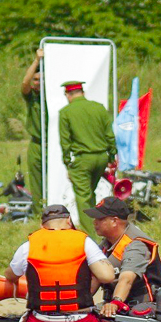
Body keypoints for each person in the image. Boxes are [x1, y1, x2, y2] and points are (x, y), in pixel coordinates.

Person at [3, 204, 119, 322]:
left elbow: (11, 275)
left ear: (42, 226)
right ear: (69, 221)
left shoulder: (28, 245)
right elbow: (107, 276)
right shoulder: (84, 241)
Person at [85, 196, 161, 314]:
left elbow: (126, 279)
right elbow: (95, 278)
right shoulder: (105, 245)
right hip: (117, 303)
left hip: (143, 306)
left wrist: (116, 302)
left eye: (100, 218)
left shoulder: (136, 245)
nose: (94, 222)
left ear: (114, 221)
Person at [58, 80, 116, 224]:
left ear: (68, 94)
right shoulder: (99, 108)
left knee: (82, 197)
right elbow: (110, 134)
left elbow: (65, 141)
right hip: (101, 158)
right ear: (82, 92)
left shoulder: (66, 112)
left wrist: (67, 163)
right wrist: (112, 156)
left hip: (83, 160)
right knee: (90, 194)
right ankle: (99, 225)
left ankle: (90, 235)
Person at [20, 49, 46, 208]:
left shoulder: (54, 97)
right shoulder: (32, 98)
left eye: (41, 80)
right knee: (36, 180)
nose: (37, 83)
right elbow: (25, 84)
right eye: (35, 80)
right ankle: (39, 211)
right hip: (37, 143)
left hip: (53, 144)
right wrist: (36, 61)